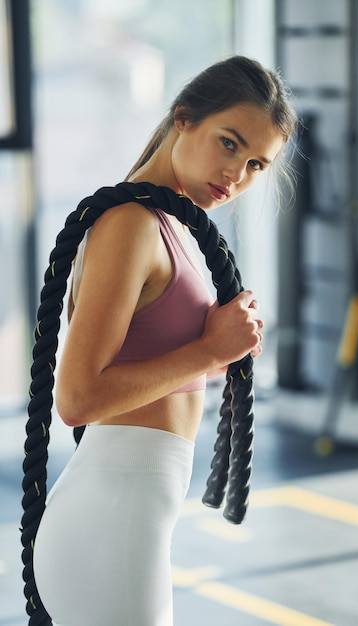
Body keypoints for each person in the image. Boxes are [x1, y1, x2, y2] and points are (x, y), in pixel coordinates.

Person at [31, 55, 296, 625]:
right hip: (113, 518)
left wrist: (216, 353)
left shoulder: (165, 222)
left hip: (126, 515)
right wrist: (208, 350)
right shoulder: (131, 222)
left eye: (256, 164)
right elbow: (78, 399)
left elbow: (149, 364)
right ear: (183, 119)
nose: (237, 175)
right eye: (229, 143)